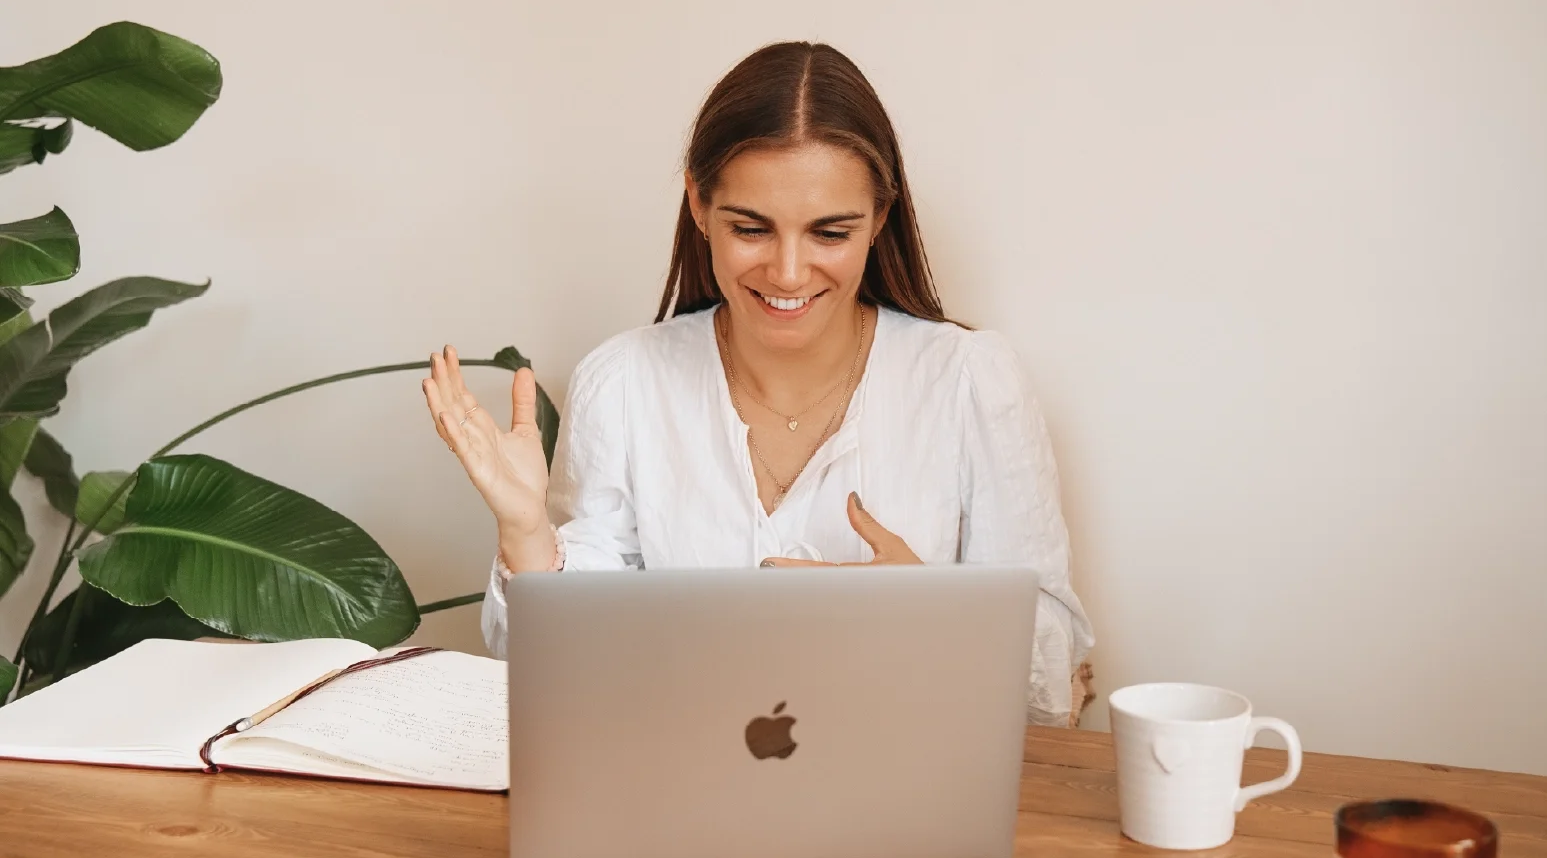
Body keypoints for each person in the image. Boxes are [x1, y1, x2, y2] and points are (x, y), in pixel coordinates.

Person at [423, 42, 1094, 724]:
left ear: (880, 218)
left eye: (831, 232)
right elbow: (564, 672)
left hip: (909, 805)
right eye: (751, 228)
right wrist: (527, 533)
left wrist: (928, 617)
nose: (790, 273)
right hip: (678, 796)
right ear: (698, 204)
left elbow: (1053, 667)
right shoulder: (623, 383)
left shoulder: (971, 380)